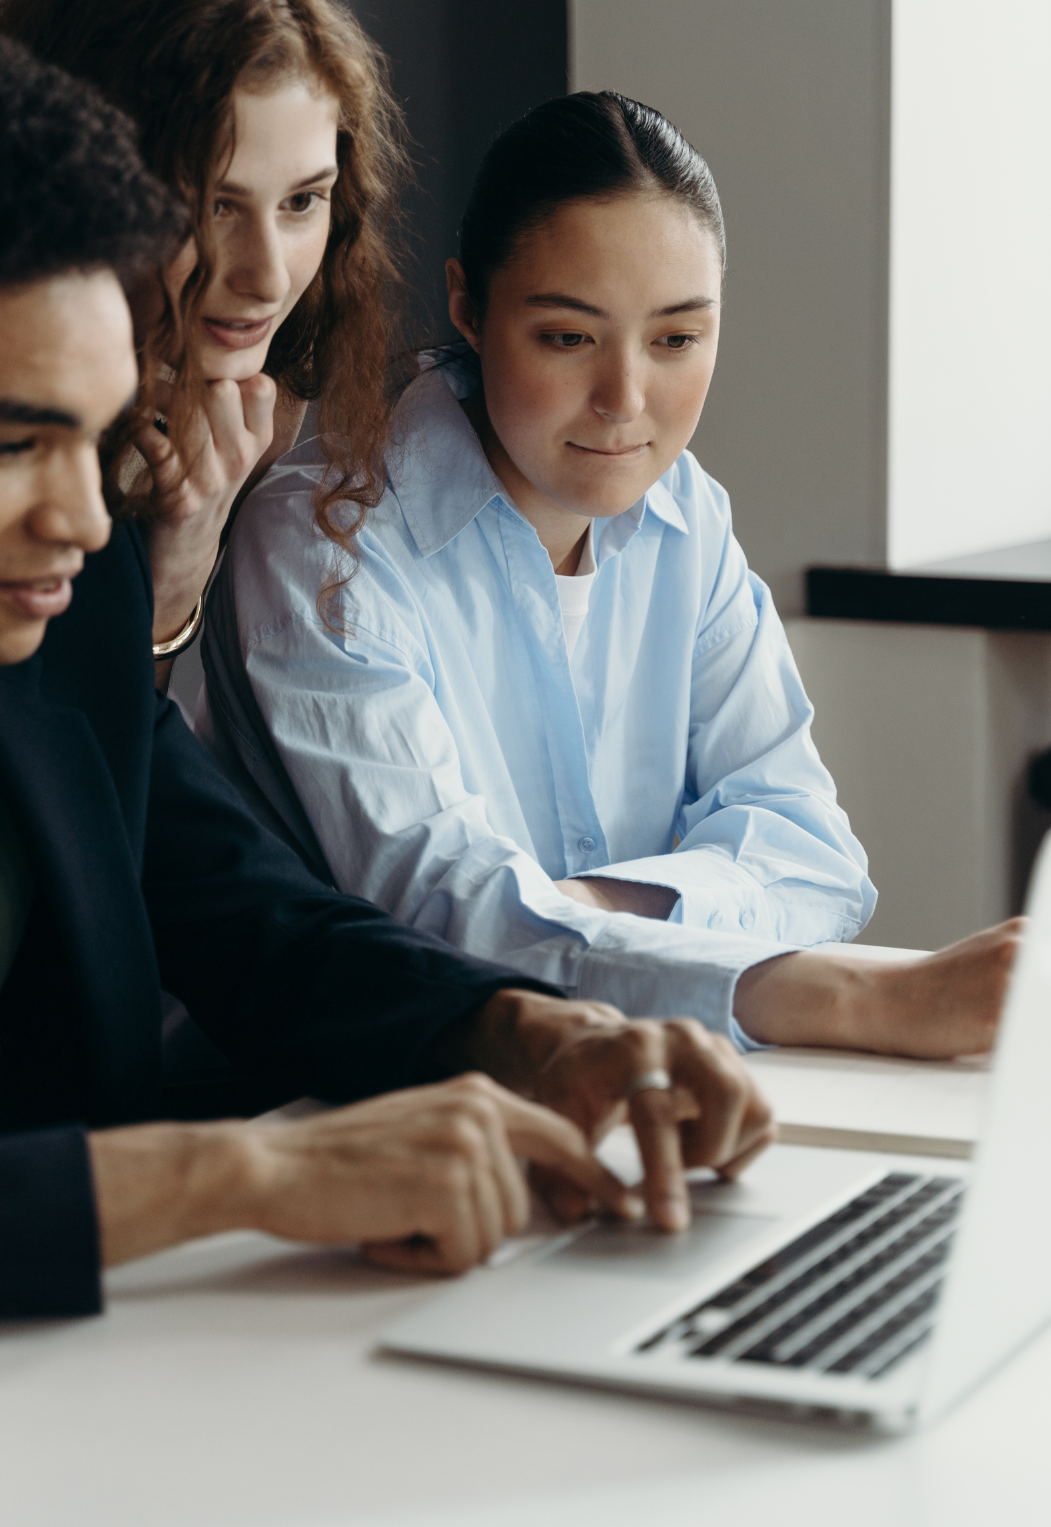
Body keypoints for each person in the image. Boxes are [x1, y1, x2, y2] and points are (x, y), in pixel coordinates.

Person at [0, 37, 774, 1321]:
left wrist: (542, 1033)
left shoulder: (61, 621)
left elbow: (255, 922)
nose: (81, 517)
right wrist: (248, 1171)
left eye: (100, 436)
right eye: (12, 443)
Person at [202, 92, 1021, 1055]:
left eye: (677, 339)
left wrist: (578, 907)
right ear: (468, 305)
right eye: (567, 337)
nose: (625, 402)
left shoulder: (688, 516)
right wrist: (859, 998)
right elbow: (445, 928)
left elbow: (816, 857)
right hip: (371, 1104)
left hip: (658, 1079)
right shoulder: (324, 542)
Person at [0, 0, 410, 686]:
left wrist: (180, 568)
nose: (266, 276)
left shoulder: (251, 415)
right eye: (213, 205)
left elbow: (151, 788)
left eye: (303, 201)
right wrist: (171, 580)